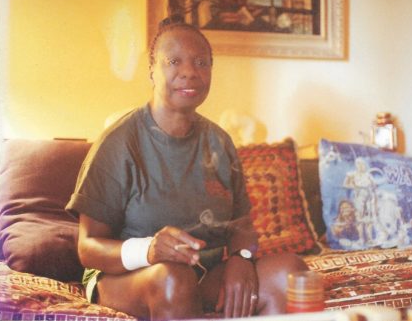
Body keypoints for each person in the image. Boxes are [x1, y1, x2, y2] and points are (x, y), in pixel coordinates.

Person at [65, 16, 308, 321]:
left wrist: (241, 259)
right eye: (174, 61)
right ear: (152, 70)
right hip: (127, 277)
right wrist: (149, 250)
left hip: (201, 273)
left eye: (201, 63)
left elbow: (242, 224)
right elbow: (88, 248)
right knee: (173, 279)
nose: (190, 72)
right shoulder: (119, 143)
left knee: (290, 273)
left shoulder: (220, 141)